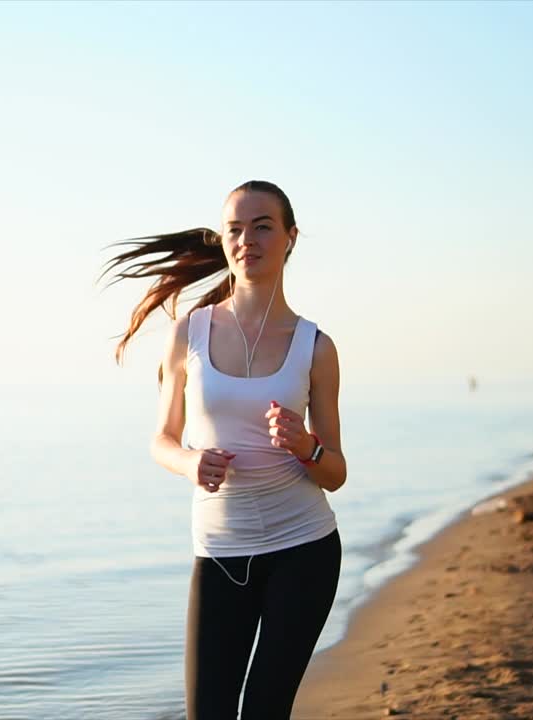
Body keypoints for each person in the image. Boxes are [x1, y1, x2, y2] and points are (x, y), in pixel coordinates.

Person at [100, 180, 347, 719]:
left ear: (290, 238)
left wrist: (306, 446)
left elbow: (335, 472)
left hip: (304, 549)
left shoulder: (316, 347)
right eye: (235, 229)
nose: (247, 240)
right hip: (219, 552)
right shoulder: (189, 333)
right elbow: (161, 438)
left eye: (262, 227)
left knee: (263, 709)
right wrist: (191, 462)